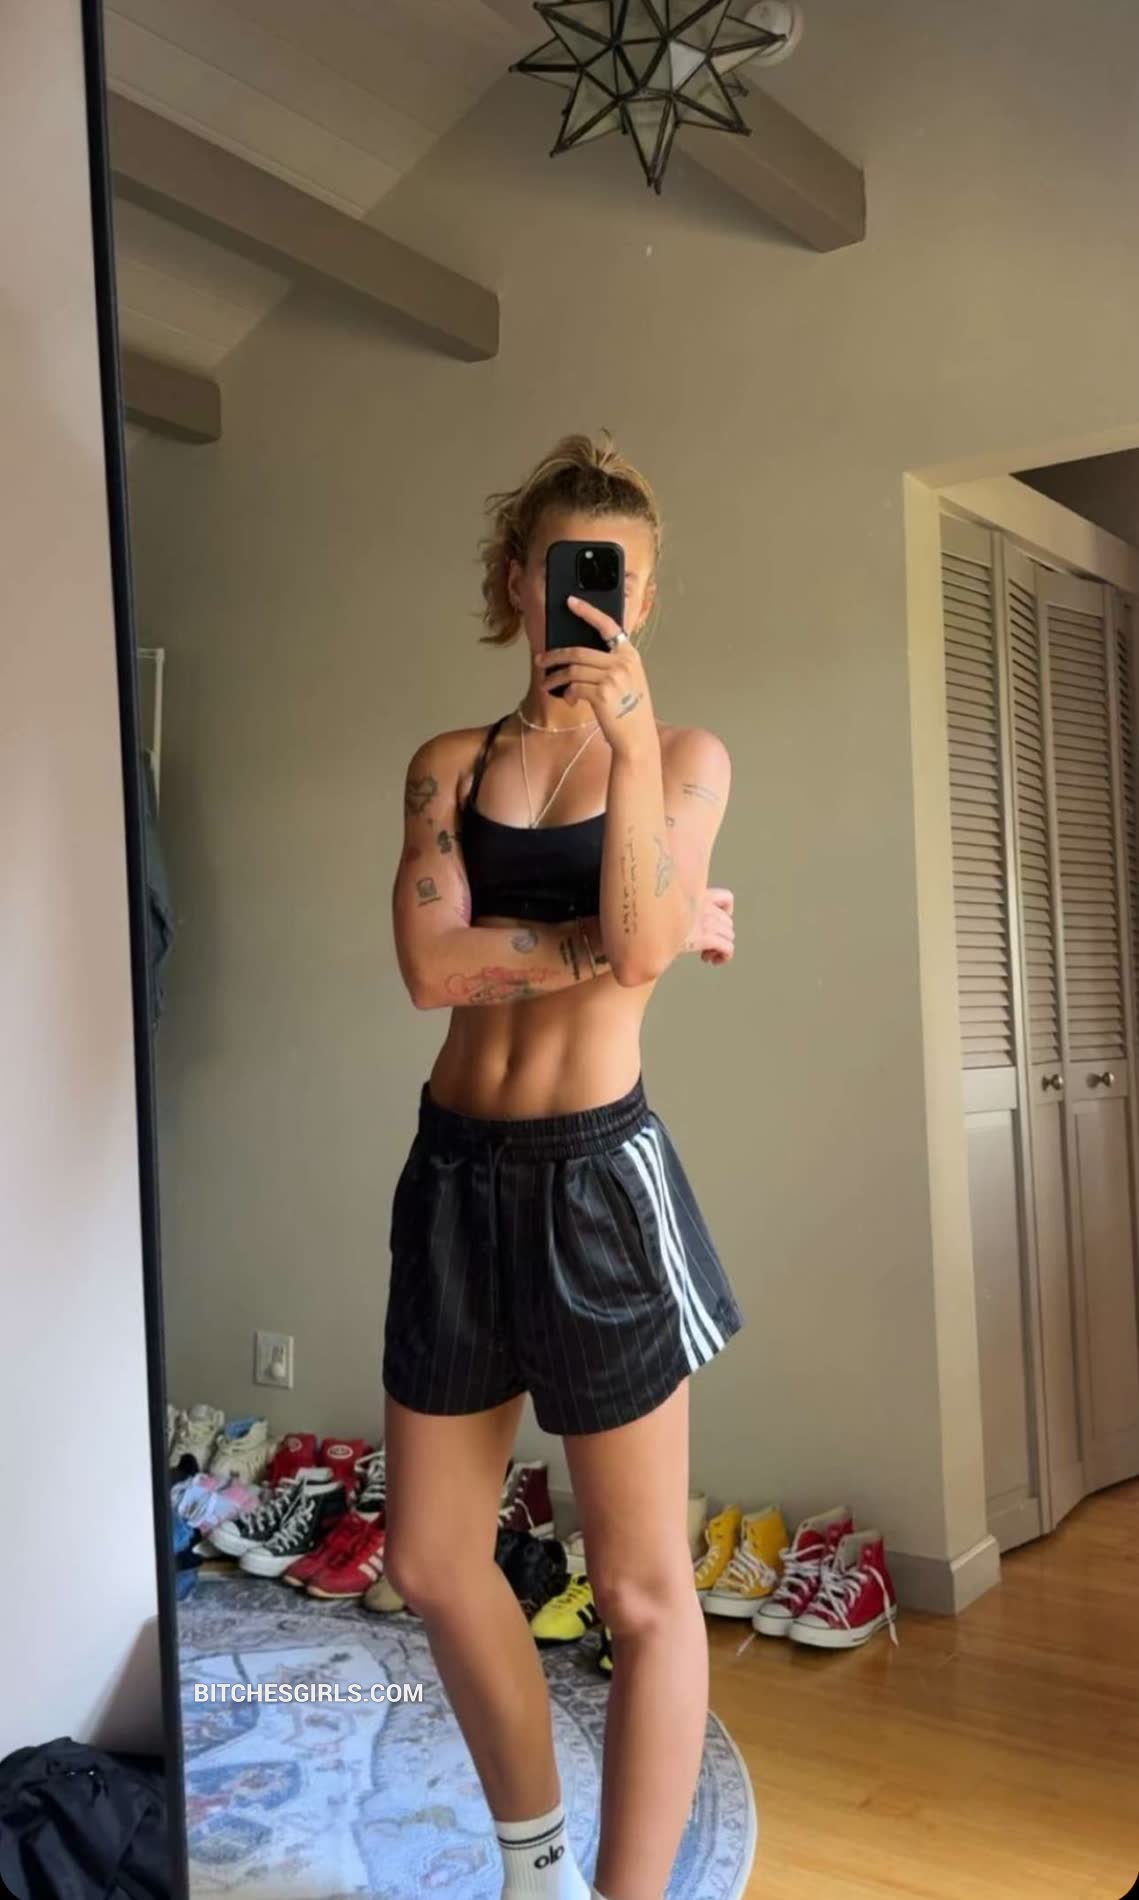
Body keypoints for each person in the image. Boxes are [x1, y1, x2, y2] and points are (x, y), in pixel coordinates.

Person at [381, 433, 745, 1900]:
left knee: (643, 1593)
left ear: (643, 601)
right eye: (564, 572)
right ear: (516, 580)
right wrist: (604, 938)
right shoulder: (450, 766)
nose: (590, 602)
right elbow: (429, 967)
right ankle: (536, 1868)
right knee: (428, 1558)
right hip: (455, 1176)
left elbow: (641, 950)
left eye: (619, 583)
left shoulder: (684, 758)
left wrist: (631, 760)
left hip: (597, 1182)